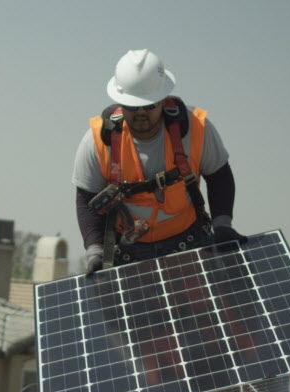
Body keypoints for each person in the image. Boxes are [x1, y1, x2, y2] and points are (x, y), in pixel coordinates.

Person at [72, 49, 244, 273]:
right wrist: (94, 251)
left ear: (163, 99)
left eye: (149, 105)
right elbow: (86, 198)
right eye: (133, 107)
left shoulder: (195, 129)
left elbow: (219, 175)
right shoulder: (97, 140)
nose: (141, 113)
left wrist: (222, 224)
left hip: (189, 243)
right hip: (129, 252)